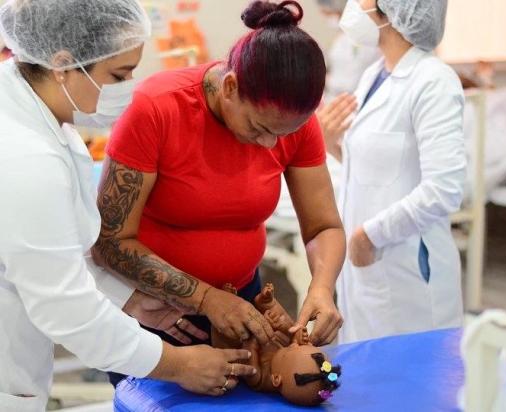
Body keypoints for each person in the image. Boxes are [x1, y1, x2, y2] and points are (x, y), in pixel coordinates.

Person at [0, 1, 256, 409]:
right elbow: (65, 308)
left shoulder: (37, 115)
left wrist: (126, 299)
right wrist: (176, 364)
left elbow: (46, 252)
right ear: (63, 63)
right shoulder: (26, 156)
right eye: (119, 74)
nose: (129, 87)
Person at [92, 0, 346, 386]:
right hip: (156, 312)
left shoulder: (293, 123)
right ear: (230, 87)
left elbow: (323, 226)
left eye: (284, 134)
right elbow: (109, 241)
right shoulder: (157, 109)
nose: (269, 145)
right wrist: (205, 299)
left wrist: (323, 288)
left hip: (243, 302)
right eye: (259, 127)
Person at [320, 0, 466, 343]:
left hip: (406, 271)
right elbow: (379, 169)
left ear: (394, 9)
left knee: (412, 384)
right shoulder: (374, 75)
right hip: (366, 273)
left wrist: (365, 238)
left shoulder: (434, 81)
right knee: (369, 376)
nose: (355, 5)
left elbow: (444, 188)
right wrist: (332, 144)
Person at [316, 0, 380, 102]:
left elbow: (352, 81)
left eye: (327, 13)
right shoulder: (341, 38)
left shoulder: (360, 38)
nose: (326, 17)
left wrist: (326, 80)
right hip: (334, 98)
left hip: (349, 100)